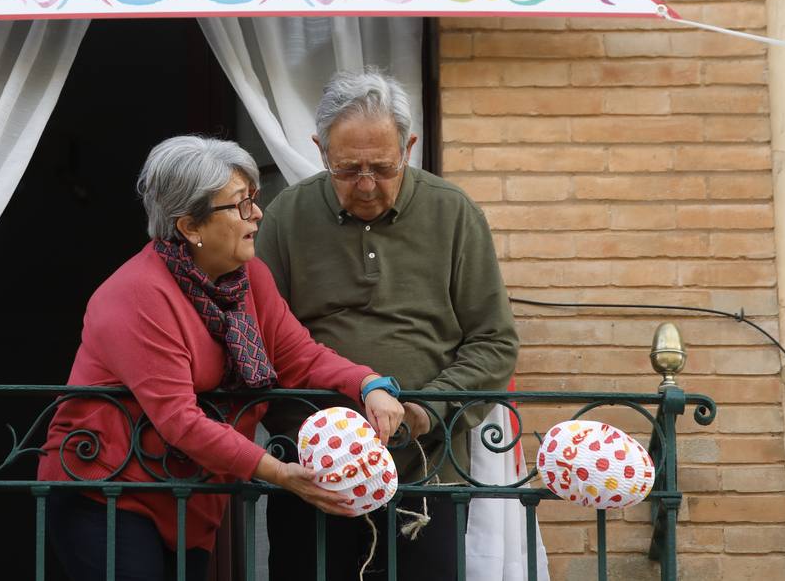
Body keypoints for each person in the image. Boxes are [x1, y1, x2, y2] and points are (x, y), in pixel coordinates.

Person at [38, 135, 405, 581]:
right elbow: (180, 419)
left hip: (188, 498)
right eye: (238, 205)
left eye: (253, 198)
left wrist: (369, 384)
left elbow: (300, 356)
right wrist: (279, 473)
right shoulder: (136, 295)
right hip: (107, 492)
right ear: (190, 226)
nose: (256, 213)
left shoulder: (249, 278)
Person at [257, 69, 520, 581]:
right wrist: (312, 433)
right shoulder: (286, 216)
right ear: (319, 149)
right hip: (314, 472)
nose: (366, 185)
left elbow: (493, 341)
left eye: (382, 166)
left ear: (409, 147)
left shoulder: (453, 213)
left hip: (427, 475)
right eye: (347, 168)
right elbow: (259, 344)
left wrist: (428, 410)